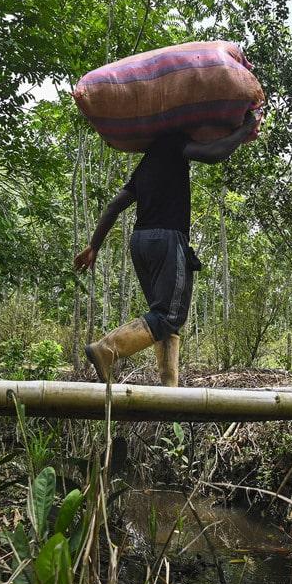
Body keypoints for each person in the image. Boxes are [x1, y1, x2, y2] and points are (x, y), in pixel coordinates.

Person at [74, 112, 258, 387]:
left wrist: (94, 246)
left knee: (163, 317)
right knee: (169, 315)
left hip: (140, 242)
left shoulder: (146, 165)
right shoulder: (173, 143)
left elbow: (114, 206)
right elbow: (214, 153)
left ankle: (168, 386)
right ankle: (106, 348)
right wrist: (245, 128)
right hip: (167, 240)